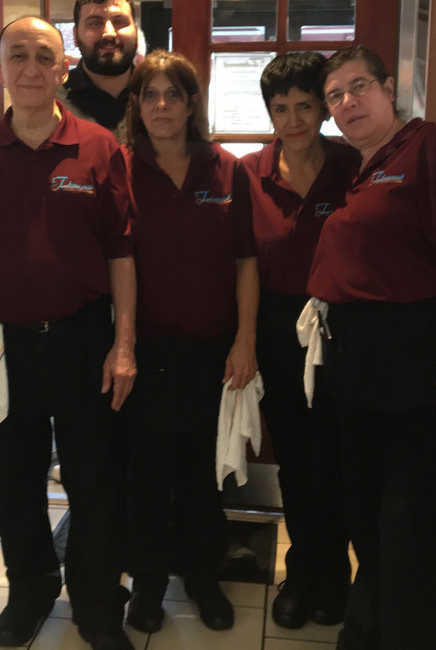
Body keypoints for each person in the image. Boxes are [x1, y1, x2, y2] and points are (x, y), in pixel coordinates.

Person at [0, 16, 137, 650]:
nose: (31, 68)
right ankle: (29, 592)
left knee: (94, 478)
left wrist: (124, 346)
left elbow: (122, 255)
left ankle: (96, 602)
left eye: (44, 56)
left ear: (64, 69)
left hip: (83, 337)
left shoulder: (99, 147)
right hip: (5, 342)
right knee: (13, 477)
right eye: (17, 56)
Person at [306, 45, 436, 650]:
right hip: (359, 365)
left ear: (389, 89)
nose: (347, 102)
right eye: (335, 96)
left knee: (410, 525)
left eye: (358, 86)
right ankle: (367, 633)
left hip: (422, 358)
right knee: (367, 519)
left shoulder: (432, 146)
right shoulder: (359, 167)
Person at [119, 49, 258, 635]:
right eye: (150, 95)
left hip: (212, 353)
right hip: (146, 354)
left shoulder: (226, 169)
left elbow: (247, 261)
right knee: (147, 480)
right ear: (137, 104)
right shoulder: (122, 168)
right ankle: (148, 586)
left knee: (204, 479)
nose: (161, 106)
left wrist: (245, 339)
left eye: (173, 94)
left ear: (191, 103)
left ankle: (204, 578)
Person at [241, 52, 359, 629]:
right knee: (294, 460)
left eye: (305, 106)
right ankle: (302, 571)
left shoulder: (353, 165)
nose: (294, 120)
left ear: (324, 109)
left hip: (345, 330)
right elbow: (240, 262)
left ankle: (334, 576)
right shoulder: (249, 173)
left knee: (336, 460)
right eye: (281, 108)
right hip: (277, 330)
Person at [60, 0, 139, 132]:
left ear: (135, 31)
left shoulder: (160, 96)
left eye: (119, 22)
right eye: (95, 23)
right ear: (75, 36)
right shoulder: (52, 103)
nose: (109, 33)